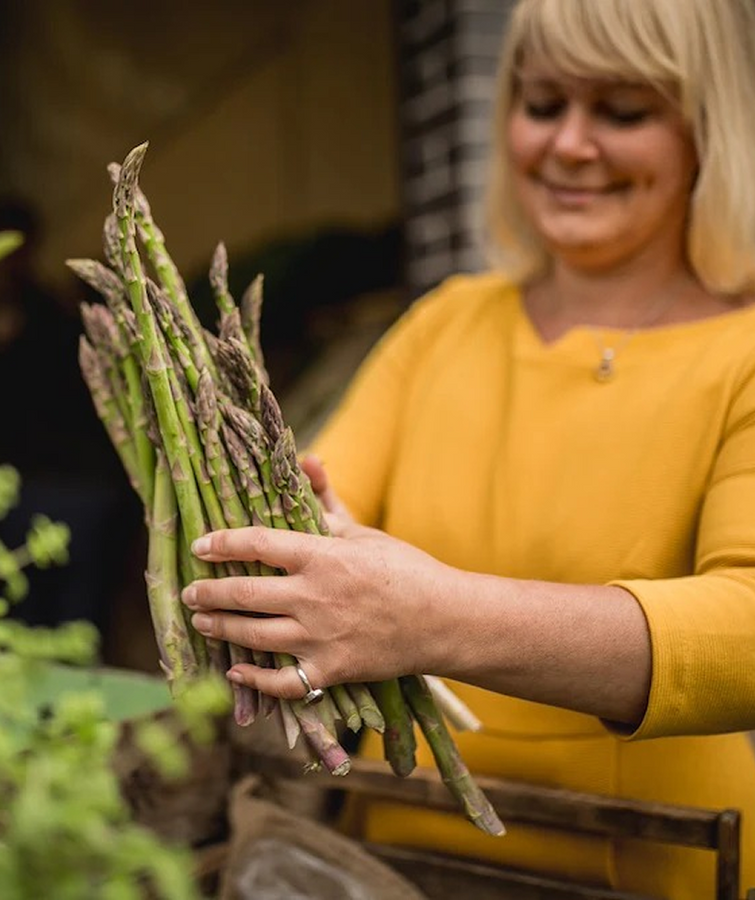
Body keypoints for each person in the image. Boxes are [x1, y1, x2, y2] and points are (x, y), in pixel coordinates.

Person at [177, 0, 755, 896]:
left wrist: (433, 617)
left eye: (622, 112)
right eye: (542, 103)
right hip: (390, 859)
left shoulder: (742, 351)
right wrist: (307, 529)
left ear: (706, 129)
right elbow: (326, 508)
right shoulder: (446, 322)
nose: (568, 145)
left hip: (661, 866)